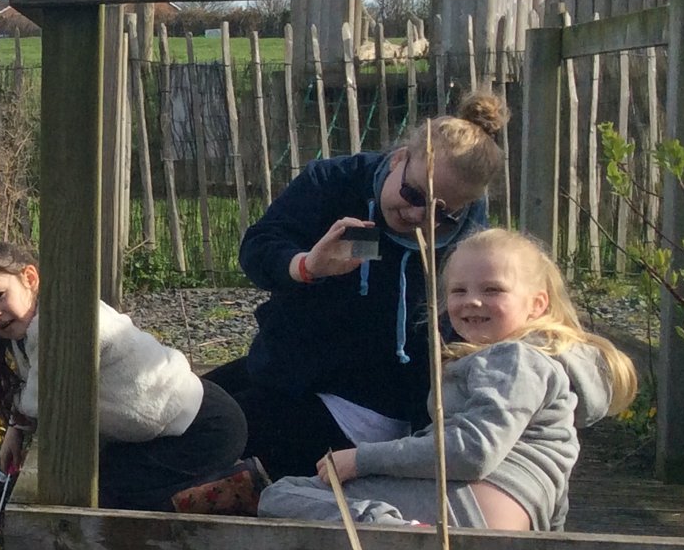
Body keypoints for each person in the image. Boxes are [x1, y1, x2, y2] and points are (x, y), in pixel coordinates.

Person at [205, 94, 507, 482]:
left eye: (442, 214)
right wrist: (305, 266)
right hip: (290, 370)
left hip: (374, 409)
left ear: (467, 208)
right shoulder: (333, 183)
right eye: (413, 194)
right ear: (398, 158)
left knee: (212, 443)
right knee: (184, 409)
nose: (418, 216)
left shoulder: (469, 234)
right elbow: (259, 246)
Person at [259, 229, 634, 531]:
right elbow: (556, 471)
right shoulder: (546, 363)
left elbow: (473, 450)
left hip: (468, 507)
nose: (472, 301)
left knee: (283, 495)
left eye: (492, 290)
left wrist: (362, 458)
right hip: (510, 516)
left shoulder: (516, 357)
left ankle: (402, 544)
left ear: (537, 304)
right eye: (459, 291)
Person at [0, 241, 254, 512]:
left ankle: (244, 486)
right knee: (102, 484)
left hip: (204, 429)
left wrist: (21, 420)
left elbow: (44, 401)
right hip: (165, 432)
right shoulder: (27, 329)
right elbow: (35, 389)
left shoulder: (61, 322)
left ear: (30, 279)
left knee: (105, 496)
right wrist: (16, 430)